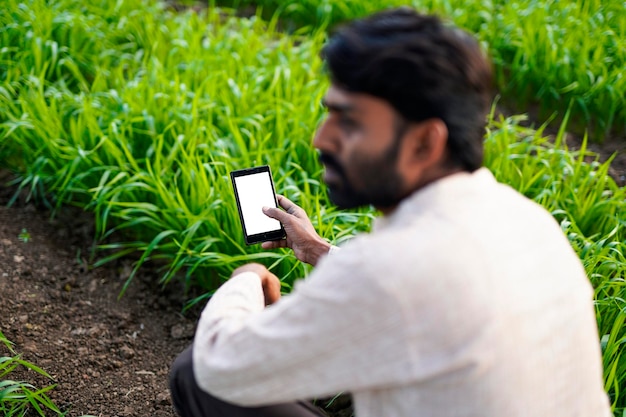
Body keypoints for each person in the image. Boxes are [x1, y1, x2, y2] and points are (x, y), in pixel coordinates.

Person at [169, 8, 611, 417]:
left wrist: (247, 277)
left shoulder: (388, 270)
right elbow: (422, 290)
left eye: (350, 122)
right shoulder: (529, 221)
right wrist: (317, 248)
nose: (321, 139)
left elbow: (219, 363)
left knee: (197, 375)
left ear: (425, 142)